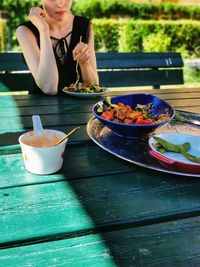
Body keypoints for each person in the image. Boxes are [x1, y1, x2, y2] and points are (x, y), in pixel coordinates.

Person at [16, 0, 99, 95]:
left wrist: (84, 64)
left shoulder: (84, 25)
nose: (61, 3)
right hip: (41, 107)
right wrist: (43, 31)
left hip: (80, 108)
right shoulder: (25, 31)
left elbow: (94, 86)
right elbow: (49, 88)